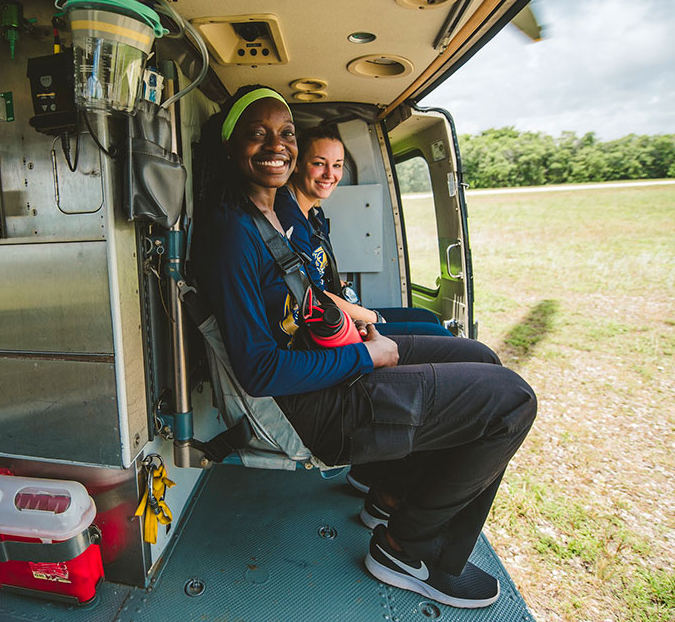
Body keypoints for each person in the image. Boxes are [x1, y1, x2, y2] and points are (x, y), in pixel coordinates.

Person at [192, 85, 536, 609]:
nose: (276, 144)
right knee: (512, 400)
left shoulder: (276, 214)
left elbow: (304, 306)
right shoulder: (231, 233)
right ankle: (408, 548)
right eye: (256, 133)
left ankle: (392, 494)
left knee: (483, 359)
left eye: (285, 132)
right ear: (229, 143)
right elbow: (260, 370)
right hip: (315, 407)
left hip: (331, 364)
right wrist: (365, 356)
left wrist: (355, 332)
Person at [273, 125, 451, 337]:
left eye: (337, 165)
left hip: (333, 307)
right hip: (318, 323)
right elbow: (314, 295)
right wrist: (375, 318)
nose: (330, 174)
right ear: (297, 165)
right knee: (437, 334)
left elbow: (318, 272)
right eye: (319, 163)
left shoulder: (314, 212)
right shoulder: (286, 213)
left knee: (428, 318)